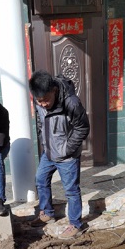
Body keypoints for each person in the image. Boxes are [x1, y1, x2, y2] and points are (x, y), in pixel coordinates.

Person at [28, 70, 90, 239]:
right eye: (39, 101)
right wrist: (44, 141)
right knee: (41, 180)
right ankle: (47, 213)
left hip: (67, 156)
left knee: (71, 190)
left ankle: (76, 224)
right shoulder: (39, 99)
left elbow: (83, 127)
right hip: (48, 152)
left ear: (54, 90)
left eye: (45, 100)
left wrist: (67, 149)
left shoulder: (71, 103)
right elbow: (40, 122)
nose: (42, 104)